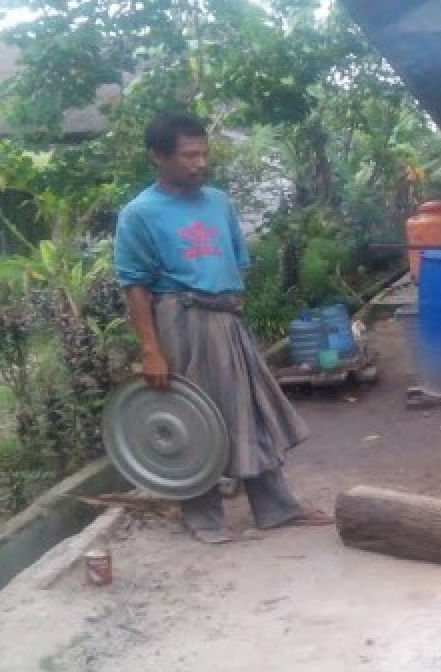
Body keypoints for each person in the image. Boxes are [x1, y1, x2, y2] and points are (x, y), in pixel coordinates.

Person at [114, 112, 331, 543]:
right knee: (193, 416)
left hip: (226, 318)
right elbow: (135, 287)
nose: (199, 163)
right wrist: (151, 349)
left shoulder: (218, 202)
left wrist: (227, 308)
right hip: (181, 320)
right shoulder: (139, 213)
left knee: (250, 408)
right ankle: (203, 516)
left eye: (203, 153)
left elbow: (236, 263)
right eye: (188, 155)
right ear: (158, 156)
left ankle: (275, 507)